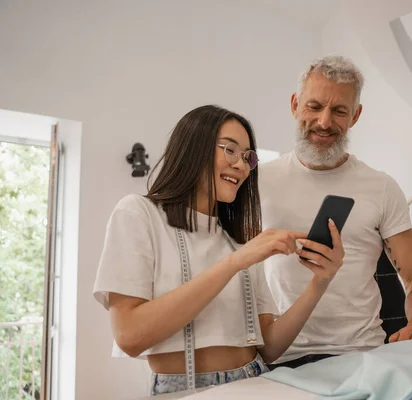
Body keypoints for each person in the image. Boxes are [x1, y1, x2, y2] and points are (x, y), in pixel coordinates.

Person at [93, 105, 344, 396]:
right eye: (230, 150)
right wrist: (234, 263)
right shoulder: (138, 213)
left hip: (254, 381)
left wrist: (319, 283)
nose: (241, 165)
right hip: (182, 389)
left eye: (248, 157)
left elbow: (270, 347)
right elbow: (129, 335)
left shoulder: (239, 242)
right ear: (193, 148)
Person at [259, 56, 412, 369]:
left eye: (339, 110)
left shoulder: (381, 187)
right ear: (295, 105)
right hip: (281, 358)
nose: (325, 122)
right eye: (314, 106)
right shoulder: (257, 182)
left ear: (355, 115)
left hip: (362, 355)